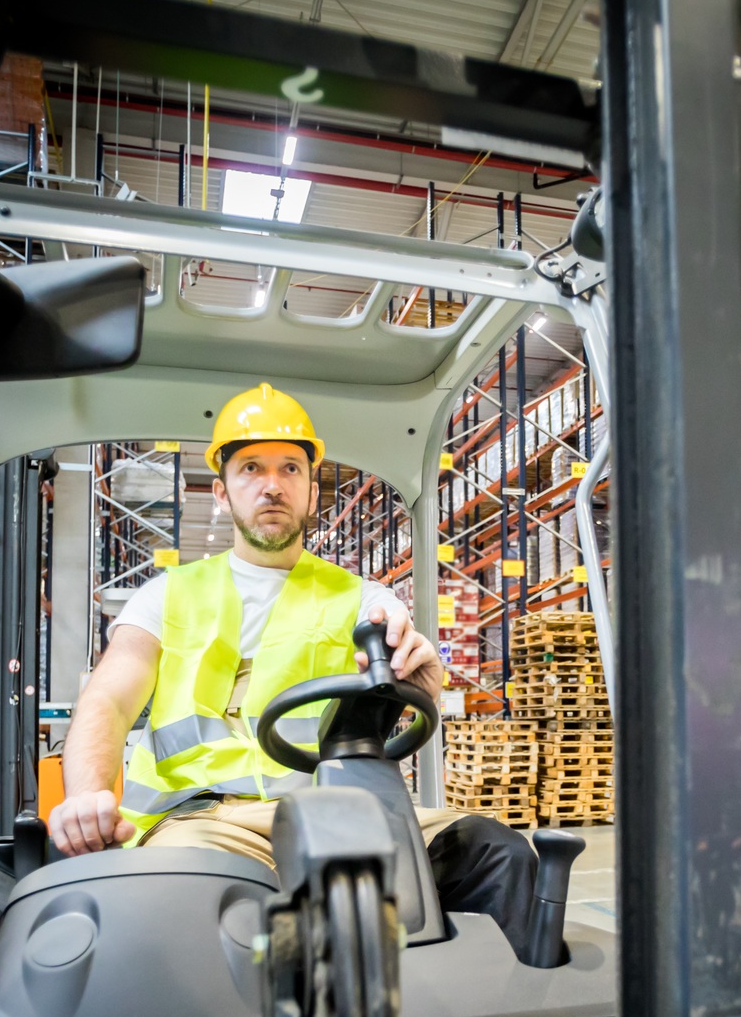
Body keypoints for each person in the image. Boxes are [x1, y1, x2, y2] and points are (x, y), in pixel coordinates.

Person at [47, 383, 537, 950]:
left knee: (497, 851)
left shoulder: (362, 598)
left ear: (311, 491)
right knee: (189, 910)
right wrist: (86, 792)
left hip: (338, 814)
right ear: (224, 492)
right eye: (251, 468)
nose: (272, 485)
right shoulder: (165, 596)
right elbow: (107, 699)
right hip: (202, 822)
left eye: (290, 469)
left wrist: (413, 682)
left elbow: (392, 674)